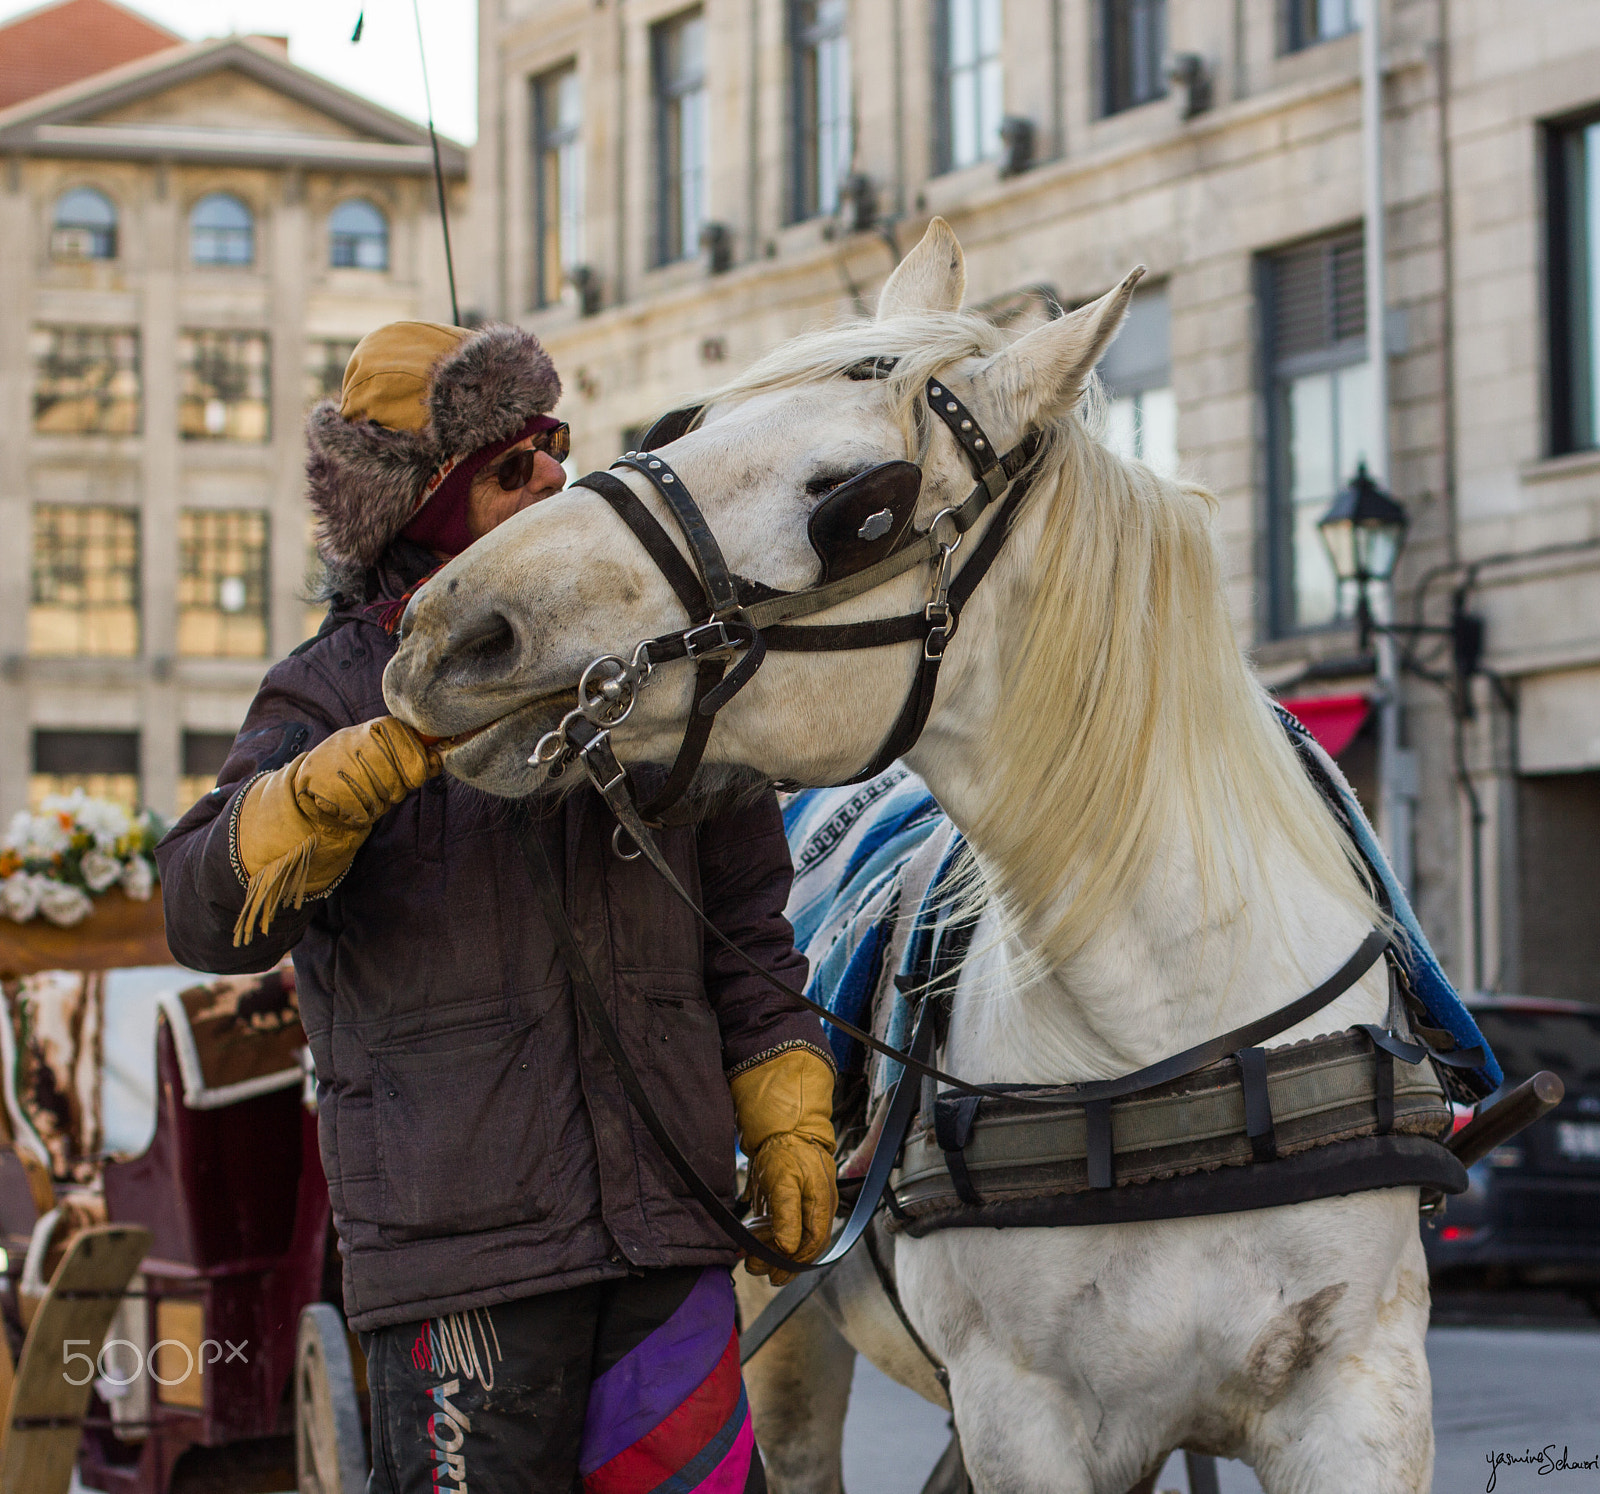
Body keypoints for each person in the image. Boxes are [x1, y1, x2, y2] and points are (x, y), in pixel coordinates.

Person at [156, 321, 837, 1494]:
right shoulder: (323, 690)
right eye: (515, 466)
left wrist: (784, 1095)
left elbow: (745, 919)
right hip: (462, 1269)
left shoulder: (654, 661)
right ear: (425, 504)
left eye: (557, 449)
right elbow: (203, 916)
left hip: (665, 1239)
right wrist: (311, 799)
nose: (555, 480)